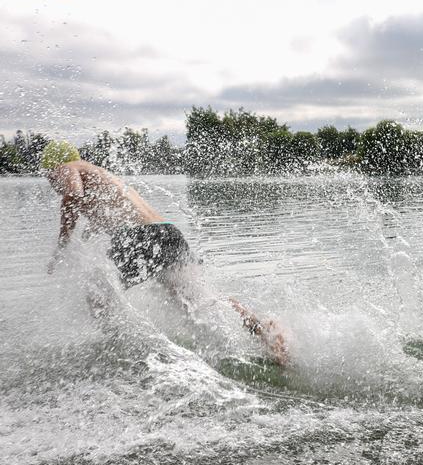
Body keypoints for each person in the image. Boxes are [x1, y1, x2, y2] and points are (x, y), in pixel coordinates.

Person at [40, 140, 288, 364]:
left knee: (96, 290)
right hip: (166, 232)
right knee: (199, 300)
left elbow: (72, 195)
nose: (53, 184)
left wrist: (62, 246)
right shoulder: (98, 174)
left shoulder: (68, 167)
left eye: (50, 178)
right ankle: (263, 330)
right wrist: (86, 235)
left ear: (54, 165)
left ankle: (114, 352)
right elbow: (104, 214)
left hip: (139, 238)